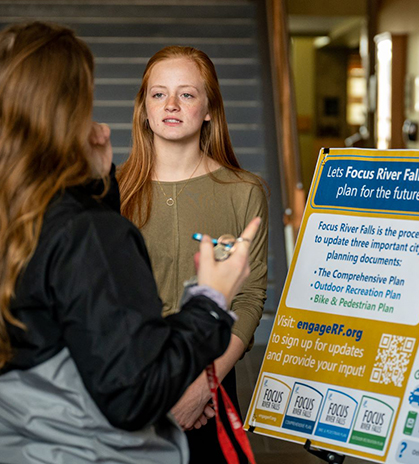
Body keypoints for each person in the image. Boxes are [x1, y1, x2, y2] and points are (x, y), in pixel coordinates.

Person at [0, 22, 258, 464]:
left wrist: (96, 188)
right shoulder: (87, 231)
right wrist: (210, 302)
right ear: (65, 106)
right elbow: (133, 393)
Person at [117, 46, 268, 462]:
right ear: (144, 109)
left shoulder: (243, 191)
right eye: (158, 94)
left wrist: (202, 388)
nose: (170, 104)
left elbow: (248, 300)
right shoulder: (109, 191)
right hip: (127, 382)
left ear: (209, 110)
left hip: (211, 385)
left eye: (186, 94)